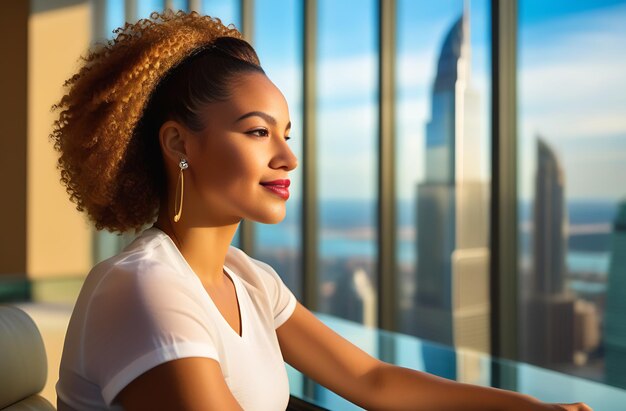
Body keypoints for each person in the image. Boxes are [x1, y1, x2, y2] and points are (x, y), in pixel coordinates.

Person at [52, 10, 592, 411]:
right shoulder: (145, 287)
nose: (287, 157)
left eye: (287, 135)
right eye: (258, 132)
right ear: (177, 144)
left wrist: (532, 408)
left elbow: (374, 381)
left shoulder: (250, 280)